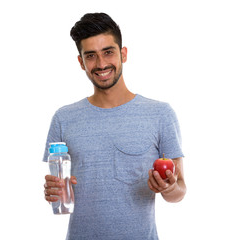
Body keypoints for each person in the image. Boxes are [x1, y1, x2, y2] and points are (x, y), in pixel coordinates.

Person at [43, 12, 186, 239]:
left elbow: (179, 191)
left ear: (123, 54)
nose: (101, 64)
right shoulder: (63, 118)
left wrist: (169, 188)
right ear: (81, 62)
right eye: (91, 55)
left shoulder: (160, 114)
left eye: (108, 52)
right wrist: (54, 190)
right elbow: (58, 185)